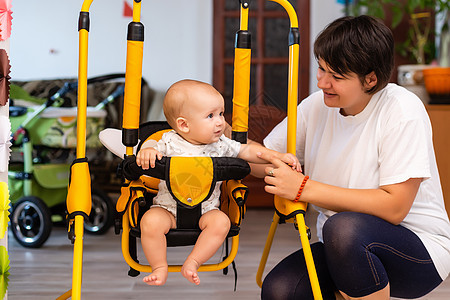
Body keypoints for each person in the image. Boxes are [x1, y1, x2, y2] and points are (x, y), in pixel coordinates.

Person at [254, 15, 450, 299]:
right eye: (320, 69)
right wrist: (217, 144)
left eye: (336, 76)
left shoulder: (402, 110)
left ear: (370, 79)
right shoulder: (317, 107)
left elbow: (395, 207)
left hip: (419, 250)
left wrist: (302, 188)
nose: (322, 83)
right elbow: (265, 159)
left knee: (343, 228)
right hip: (342, 245)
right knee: (281, 290)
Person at [135, 79, 300, 286]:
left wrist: (276, 156)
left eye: (221, 113)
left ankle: (193, 262)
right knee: (150, 222)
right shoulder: (169, 141)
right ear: (184, 125)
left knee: (221, 223)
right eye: (211, 116)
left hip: (207, 212)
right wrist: (148, 149)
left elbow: (247, 151)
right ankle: (159, 266)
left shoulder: (221, 144)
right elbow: (150, 142)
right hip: (168, 210)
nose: (221, 121)